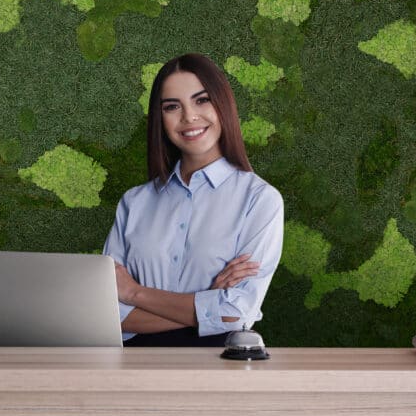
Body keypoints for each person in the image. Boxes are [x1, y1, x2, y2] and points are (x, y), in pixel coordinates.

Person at [103, 53, 284, 346]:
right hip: (132, 367)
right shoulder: (133, 203)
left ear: (222, 104)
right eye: (172, 106)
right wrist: (206, 303)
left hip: (215, 367)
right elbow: (107, 314)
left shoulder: (260, 200)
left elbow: (236, 312)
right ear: (160, 119)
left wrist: (134, 294)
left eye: (202, 100)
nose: (189, 117)